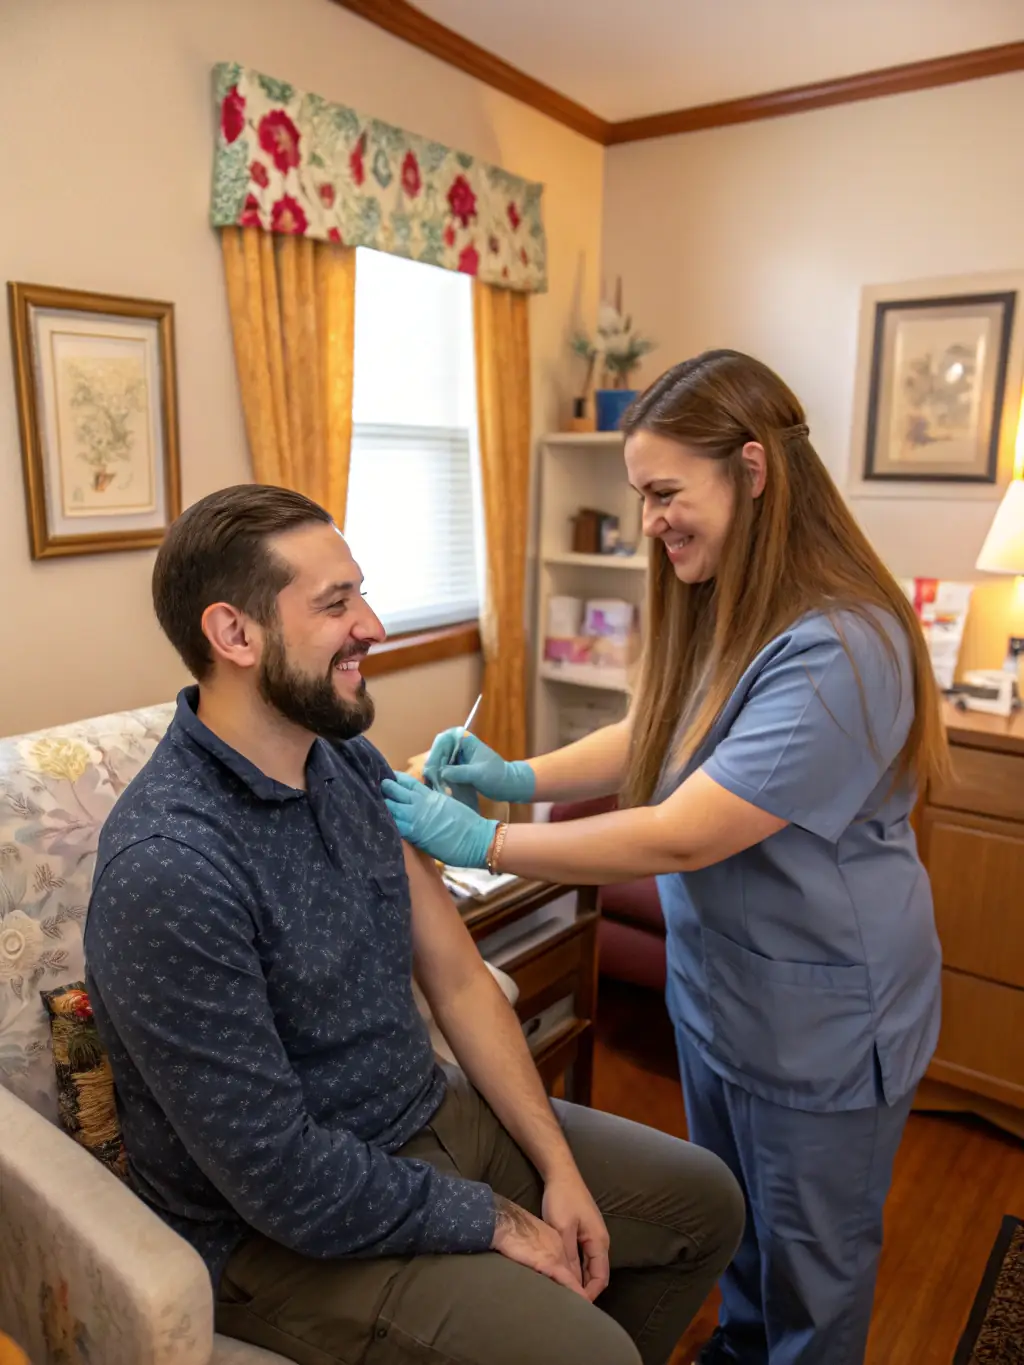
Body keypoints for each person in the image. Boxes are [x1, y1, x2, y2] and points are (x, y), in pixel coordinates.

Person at [84, 483, 744, 1365]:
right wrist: (500, 1222)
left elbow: (460, 975)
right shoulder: (169, 868)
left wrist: (557, 1165)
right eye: (337, 603)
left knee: (706, 1203)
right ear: (234, 635)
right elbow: (282, 1175)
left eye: (361, 591)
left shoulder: (344, 759)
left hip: (427, 1113)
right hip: (279, 1232)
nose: (375, 625)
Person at [384, 350, 948, 1365]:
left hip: (822, 1011)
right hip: (726, 989)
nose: (649, 520)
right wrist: (518, 774)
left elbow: (687, 826)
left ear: (753, 468)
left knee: (813, 1270)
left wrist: (489, 841)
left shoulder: (844, 642)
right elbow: (660, 730)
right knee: (737, 1227)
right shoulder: (733, 605)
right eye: (639, 496)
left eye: (663, 493)